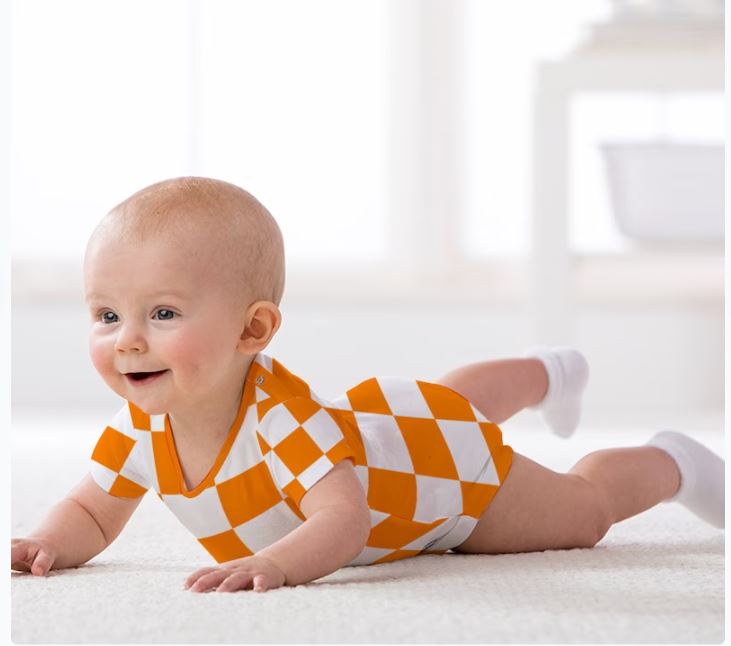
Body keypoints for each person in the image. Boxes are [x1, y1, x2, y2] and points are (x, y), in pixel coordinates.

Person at [11, 177, 724, 593]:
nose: (126, 338)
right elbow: (96, 511)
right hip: (393, 424)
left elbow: (341, 522)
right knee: (454, 404)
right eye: (106, 314)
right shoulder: (142, 421)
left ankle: (671, 462)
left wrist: (277, 565)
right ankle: (548, 370)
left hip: (443, 483)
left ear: (253, 332)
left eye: (161, 313)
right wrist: (48, 543)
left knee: (579, 513)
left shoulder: (280, 424)